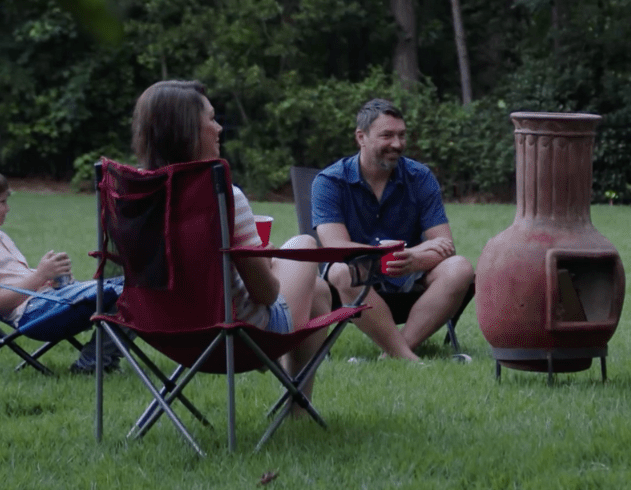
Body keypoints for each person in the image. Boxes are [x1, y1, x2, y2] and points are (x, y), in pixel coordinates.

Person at [131, 80, 335, 381]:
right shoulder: (222, 197)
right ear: (187, 130)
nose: (219, 129)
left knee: (318, 291)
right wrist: (263, 264)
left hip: (165, 333)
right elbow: (265, 294)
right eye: (211, 119)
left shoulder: (134, 198)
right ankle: (295, 408)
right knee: (302, 243)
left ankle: (297, 412)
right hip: (240, 336)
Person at [310, 98, 475, 362]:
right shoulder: (330, 182)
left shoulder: (419, 177)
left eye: (401, 135)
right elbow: (336, 248)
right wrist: (401, 253)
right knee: (341, 271)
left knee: (460, 268)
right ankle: (407, 358)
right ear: (361, 137)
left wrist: (413, 259)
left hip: (410, 272)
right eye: (387, 135)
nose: (397, 144)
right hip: (357, 273)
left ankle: (394, 355)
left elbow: (445, 244)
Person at [0, 164, 124, 374]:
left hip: (47, 300)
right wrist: (40, 275)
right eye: (2, 202)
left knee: (137, 285)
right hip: (34, 314)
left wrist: (50, 279)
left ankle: (99, 357)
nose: (8, 208)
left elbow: (13, 279)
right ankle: (93, 360)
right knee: (129, 292)